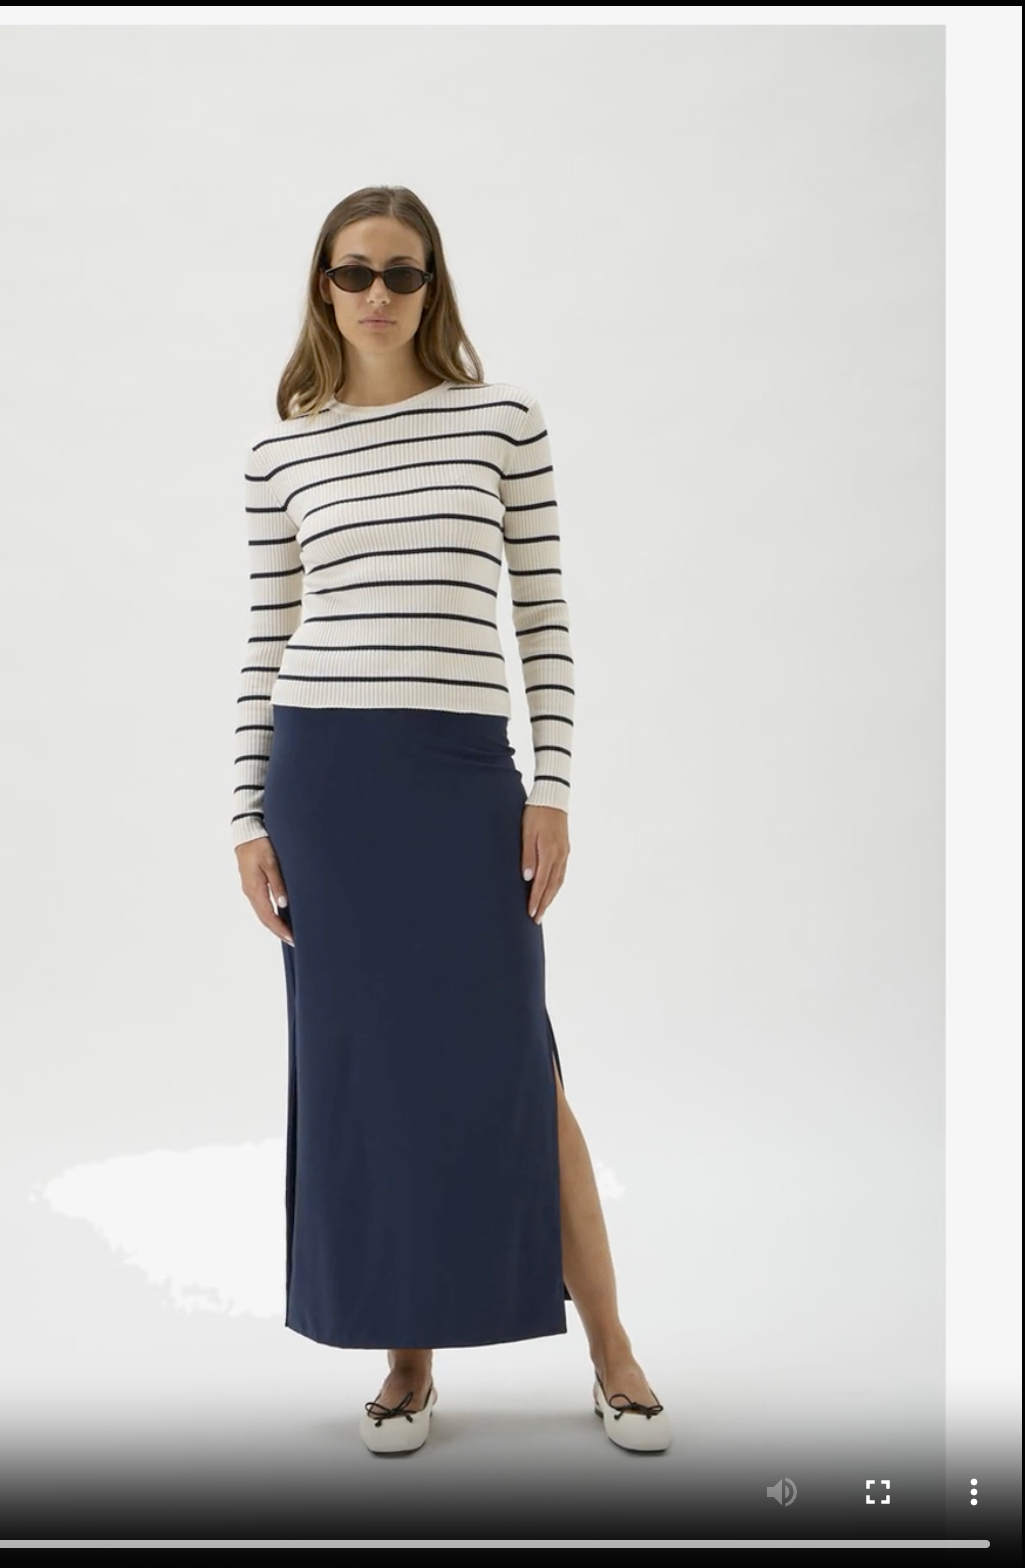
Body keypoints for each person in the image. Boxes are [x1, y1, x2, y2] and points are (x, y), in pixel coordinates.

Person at [231, 185, 670, 1457]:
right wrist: (246, 812)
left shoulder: (500, 421)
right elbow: (265, 637)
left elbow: (541, 614)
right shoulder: (280, 451)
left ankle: (614, 1351)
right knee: (367, 1074)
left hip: (461, 775)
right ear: (322, 286)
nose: (377, 293)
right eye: (353, 270)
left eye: (402, 272)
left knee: (519, 1068)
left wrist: (552, 785)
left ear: (433, 287)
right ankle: (405, 1358)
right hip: (325, 782)